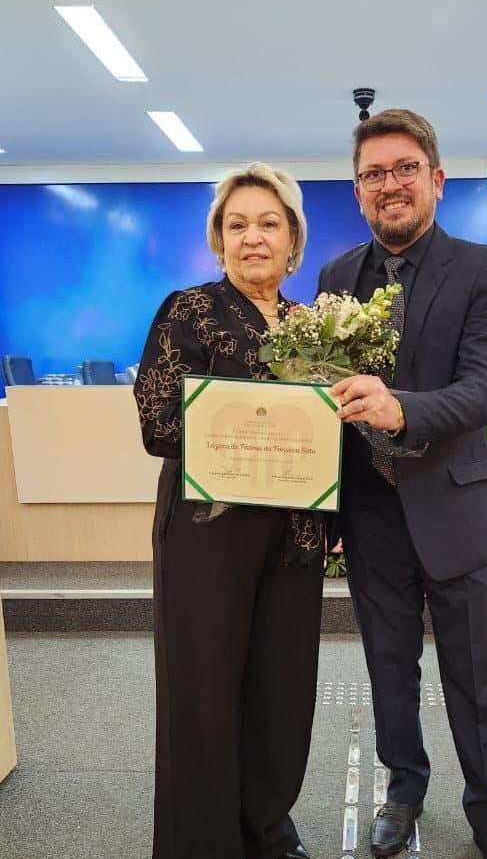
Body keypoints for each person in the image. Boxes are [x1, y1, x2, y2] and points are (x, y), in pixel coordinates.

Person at [318, 109, 487, 859]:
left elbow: (483, 389)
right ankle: (403, 789)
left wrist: (401, 408)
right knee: (388, 669)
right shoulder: (337, 277)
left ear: (436, 179)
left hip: (455, 505)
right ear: (358, 192)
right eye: (373, 174)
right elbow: (324, 393)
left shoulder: (486, 268)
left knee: (473, 673)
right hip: (372, 513)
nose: (389, 184)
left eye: (405, 168)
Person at [134, 163, 324, 859]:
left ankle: (267, 826)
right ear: (219, 239)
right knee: (205, 694)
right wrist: (247, 422)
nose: (253, 238)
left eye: (269, 223)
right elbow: (157, 421)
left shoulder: (316, 325)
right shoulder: (189, 310)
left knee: (282, 691)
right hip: (207, 537)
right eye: (237, 224)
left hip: (295, 536)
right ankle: (205, 842)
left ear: (292, 240)